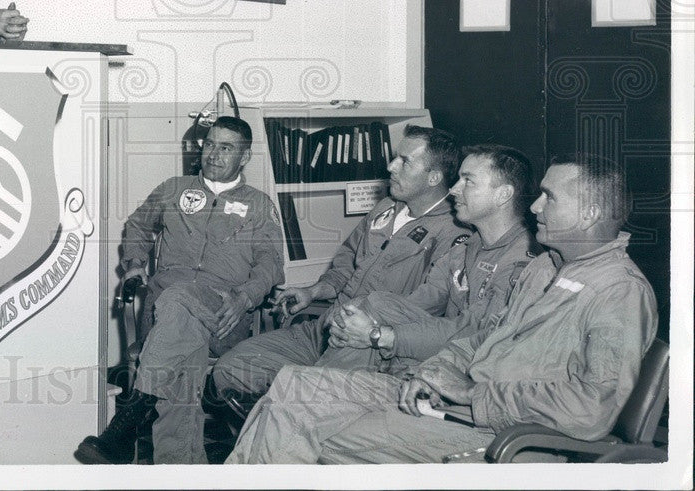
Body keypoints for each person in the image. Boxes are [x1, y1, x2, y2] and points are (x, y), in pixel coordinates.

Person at [226, 154, 657, 464]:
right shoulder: (547, 266)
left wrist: (472, 394)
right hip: (455, 403)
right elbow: (484, 335)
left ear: (592, 213)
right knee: (291, 385)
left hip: (506, 432)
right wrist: (432, 372)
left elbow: (590, 409)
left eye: (550, 198)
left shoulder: (618, 291)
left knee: (307, 425)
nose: (534, 206)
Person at [73, 115, 284, 465]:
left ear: (244, 157)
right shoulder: (174, 189)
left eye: (226, 148)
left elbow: (271, 264)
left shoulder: (259, 205)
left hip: (223, 317)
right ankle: (181, 471)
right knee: (179, 357)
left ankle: (127, 422)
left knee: (177, 300)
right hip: (163, 319)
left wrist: (245, 297)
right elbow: (138, 226)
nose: (213, 154)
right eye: (210, 144)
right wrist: (135, 264)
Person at [212, 125, 463, 406]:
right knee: (231, 368)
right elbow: (347, 262)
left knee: (304, 400)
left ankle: (293, 415)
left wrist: (365, 324)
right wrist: (315, 291)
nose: (391, 166)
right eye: (395, 157)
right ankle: (283, 412)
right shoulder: (386, 207)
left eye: (404, 161)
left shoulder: (453, 233)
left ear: (433, 177)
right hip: (325, 327)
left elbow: (427, 309)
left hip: (367, 345)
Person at [339, 144, 538, 374]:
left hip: (469, 375)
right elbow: (418, 303)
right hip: (434, 361)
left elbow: (474, 333)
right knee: (373, 304)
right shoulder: (464, 249)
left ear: (503, 194)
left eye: (468, 181)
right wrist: (354, 321)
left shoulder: (523, 263)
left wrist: (378, 335)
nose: (453, 189)